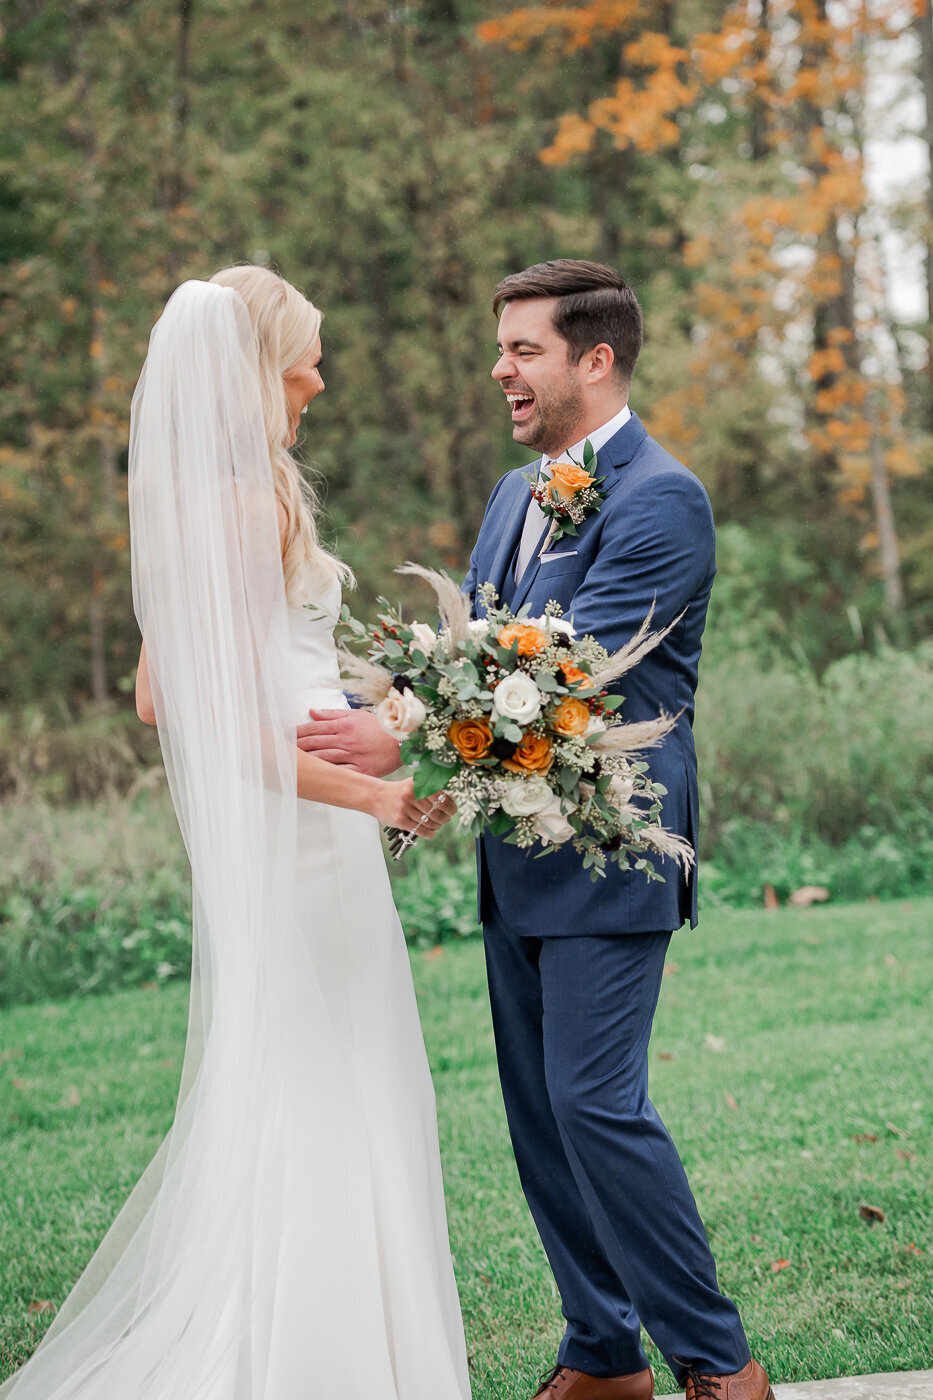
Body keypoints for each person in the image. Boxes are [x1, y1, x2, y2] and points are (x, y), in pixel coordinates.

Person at [302, 260, 774, 1400]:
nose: (501, 368)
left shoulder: (664, 497)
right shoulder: (519, 493)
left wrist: (400, 731)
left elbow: (570, 673)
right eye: (502, 346)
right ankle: (604, 1354)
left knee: (594, 1100)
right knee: (539, 1113)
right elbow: (478, 643)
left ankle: (720, 1360)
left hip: (616, 849)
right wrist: (358, 718)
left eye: (525, 349)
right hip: (516, 850)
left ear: (595, 359)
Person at [0, 267, 471, 1400]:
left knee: (320, 1075)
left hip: (294, 828)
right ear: (261, 368)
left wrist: (381, 710)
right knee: (329, 1083)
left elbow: (216, 682)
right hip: (305, 836)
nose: (320, 373)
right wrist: (367, 794)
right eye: (305, 354)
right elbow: (185, 707)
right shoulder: (241, 503)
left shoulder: (230, 494)